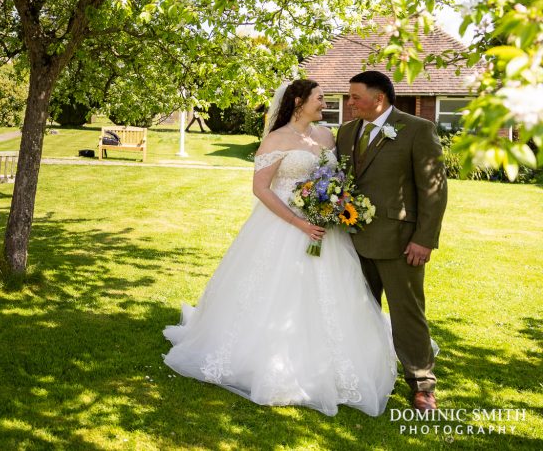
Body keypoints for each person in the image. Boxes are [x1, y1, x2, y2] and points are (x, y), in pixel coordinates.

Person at [163, 79, 396, 416]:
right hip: (284, 227)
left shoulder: (326, 136)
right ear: (299, 101)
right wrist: (299, 222)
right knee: (274, 291)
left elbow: (337, 180)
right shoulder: (277, 139)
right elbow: (261, 189)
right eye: (320, 98)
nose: (325, 103)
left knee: (333, 294)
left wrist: (332, 205)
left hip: (325, 230)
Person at [336, 71, 446, 412]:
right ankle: (362, 373)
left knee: (407, 313)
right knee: (358, 311)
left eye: (355, 97)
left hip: (401, 243)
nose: (349, 103)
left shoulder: (417, 129)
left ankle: (422, 384)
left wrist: (424, 240)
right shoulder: (345, 132)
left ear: (379, 98)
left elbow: (434, 190)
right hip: (351, 241)